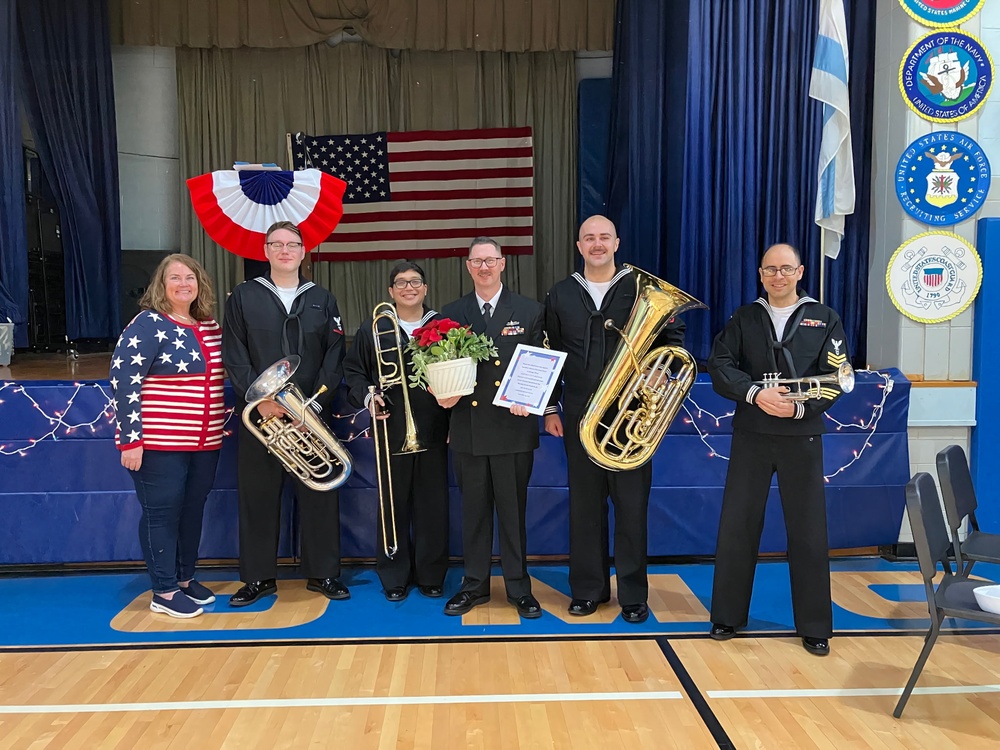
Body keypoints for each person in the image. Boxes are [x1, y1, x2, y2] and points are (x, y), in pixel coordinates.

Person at [706, 242, 849, 656]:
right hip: (751, 433)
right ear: (761, 274)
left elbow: (837, 376)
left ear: (801, 272)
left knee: (807, 531)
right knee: (738, 526)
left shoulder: (825, 318)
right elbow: (720, 364)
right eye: (771, 269)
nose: (778, 276)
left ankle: (815, 626)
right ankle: (727, 617)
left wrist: (801, 406)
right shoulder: (745, 316)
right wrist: (754, 394)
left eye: (786, 269)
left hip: (801, 436)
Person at [543, 215, 686, 624]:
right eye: (589, 238)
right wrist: (551, 407)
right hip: (579, 417)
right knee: (584, 508)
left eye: (604, 237)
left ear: (617, 242)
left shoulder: (643, 289)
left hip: (631, 417)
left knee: (631, 508)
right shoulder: (561, 293)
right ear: (579, 245)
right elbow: (549, 355)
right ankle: (588, 591)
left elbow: (671, 340)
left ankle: (634, 595)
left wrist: (659, 371)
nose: (597, 244)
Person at [222, 220, 348, 607]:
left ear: (303, 251)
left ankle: (323, 572)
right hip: (261, 415)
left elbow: (334, 355)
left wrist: (311, 406)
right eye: (275, 244)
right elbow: (234, 353)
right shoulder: (243, 296)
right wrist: (259, 400)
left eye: (291, 244)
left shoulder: (322, 299)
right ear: (265, 251)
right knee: (257, 496)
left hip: (308, 413)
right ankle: (258, 578)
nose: (284, 250)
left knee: (319, 491)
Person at [436, 237, 546, 619]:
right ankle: (474, 585)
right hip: (468, 427)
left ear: (503, 264)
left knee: (514, 514)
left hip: (513, 427)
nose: (484, 267)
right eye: (477, 261)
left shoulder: (530, 311)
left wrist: (533, 400)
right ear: (468, 267)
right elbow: (438, 366)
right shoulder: (451, 313)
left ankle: (519, 588)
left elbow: (546, 365)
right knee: (475, 512)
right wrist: (441, 394)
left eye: (491, 260)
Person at [111, 254, 224, 618]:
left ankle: (185, 578)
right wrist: (131, 439)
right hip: (160, 444)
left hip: (205, 443)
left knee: (192, 511)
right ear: (161, 286)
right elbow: (124, 380)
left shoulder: (209, 326)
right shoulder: (147, 324)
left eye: (189, 277)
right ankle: (163, 590)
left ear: (199, 284)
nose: (183, 284)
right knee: (162, 514)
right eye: (174, 278)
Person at [342, 261, 450, 602]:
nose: (408, 287)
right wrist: (368, 396)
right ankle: (394, 574)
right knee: (392, 503)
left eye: (415, 281)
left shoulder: (443, 327)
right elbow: (354, 372)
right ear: (390, 291)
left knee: (433, 504)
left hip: (434, 427)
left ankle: (431, 574)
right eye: (400, 283)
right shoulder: (374, 329)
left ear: (426, 288)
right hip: (389, 427)